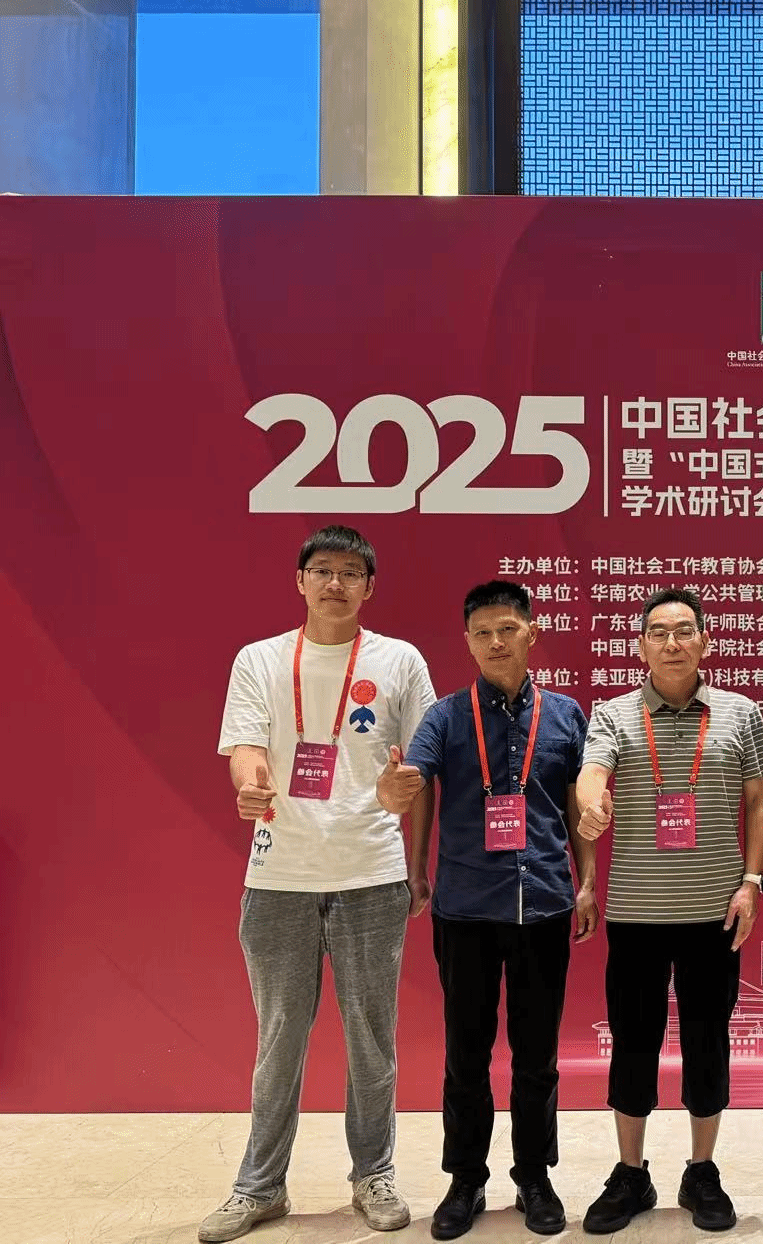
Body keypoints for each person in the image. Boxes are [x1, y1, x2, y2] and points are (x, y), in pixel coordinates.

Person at [203, 526, 437, 1244]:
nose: (336, 583)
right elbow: (246, 746)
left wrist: (415, 854)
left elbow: (419, 767)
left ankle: (374, 1174)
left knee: (372, 1038)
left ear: (370, 586)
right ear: (300, 580)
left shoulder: (399, 659)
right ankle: (259, 1186)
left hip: (371, 873)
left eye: (350, 573)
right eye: (322, 570)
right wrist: (250, 784)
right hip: (279, 875)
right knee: (278, 1039)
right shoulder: (260, 659)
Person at [375, 581, 596, 1239]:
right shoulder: (445, 716)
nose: (496, 642)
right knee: (466, 1055)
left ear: (532, 632)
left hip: (545, 903)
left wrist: (588, 883)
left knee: (537, 1056)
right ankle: (466, 1178)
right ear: (468, 642)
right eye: (482, 633)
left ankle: (534, 1176)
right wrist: (401, 820)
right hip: (466, 909)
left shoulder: (566, 715)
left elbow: (580, 807)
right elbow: (412, 787)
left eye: (507, 628)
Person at [574, 588, 763, 1234]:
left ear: (705, 641)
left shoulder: (740, 713)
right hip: (636, 914)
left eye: (684, 630)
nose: (672, 642)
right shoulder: (613, 713)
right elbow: (592, 774)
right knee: (633, 1044)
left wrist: (751, 882)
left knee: (708, 1043)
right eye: (658, 632)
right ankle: (631, 1172)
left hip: (715, 913)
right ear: (640, 646)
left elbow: (758, 803)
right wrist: (592, 802)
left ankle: (701, 1170)